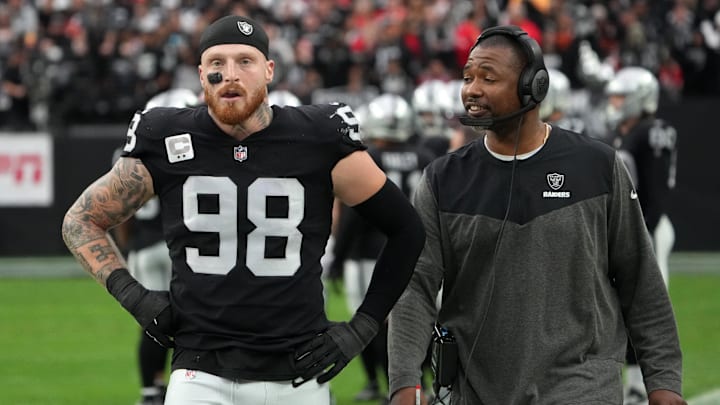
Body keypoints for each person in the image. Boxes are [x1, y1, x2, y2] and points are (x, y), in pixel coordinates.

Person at [61, 15, 425, 405]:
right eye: (217, 63)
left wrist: (363, 327)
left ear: (269, 70)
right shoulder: (168, 137)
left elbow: (407, 229)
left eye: (245, 61)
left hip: (297, 371)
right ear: (201, 75)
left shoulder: (318, 136)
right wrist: (135, 297)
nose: (230, 74)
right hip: (198, 370)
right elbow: (81, 220)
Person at [387, 25, 686, 405]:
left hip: (582, 387)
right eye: (467, 77)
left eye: (488, 77)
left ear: (534, 86)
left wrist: (663, 382)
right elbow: (416, 289)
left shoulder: (597, 167)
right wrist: (403, 384)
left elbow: (640, 280)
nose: (471, 90)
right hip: (475, 391)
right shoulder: (442, 180)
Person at [328, 94, 435, 403]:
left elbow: (352, 215)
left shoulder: (368, 156)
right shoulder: (425, 155)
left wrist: (338, 256)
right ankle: (422, 381)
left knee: (368, 321)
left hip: (368, 253)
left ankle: (376, 381)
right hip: (418, 250)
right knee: (418, 319)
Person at [111, 87, 200, 405]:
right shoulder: (191, 147)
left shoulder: (132, 149)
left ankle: (151, 391)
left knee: (153, 322)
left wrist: (129, 249)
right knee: (193, 320)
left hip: (143, 245)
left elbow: (121, 213)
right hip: (179, 247)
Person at [604, 66, 679, 405]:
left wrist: (641, 233)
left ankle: (641, 385)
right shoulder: (626, 132)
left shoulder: (654, 131)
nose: (615, 103)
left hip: (648, 227)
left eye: (620, 96)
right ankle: (632, 384)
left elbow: (656, 194)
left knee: (646, 307)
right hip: (631, 228)